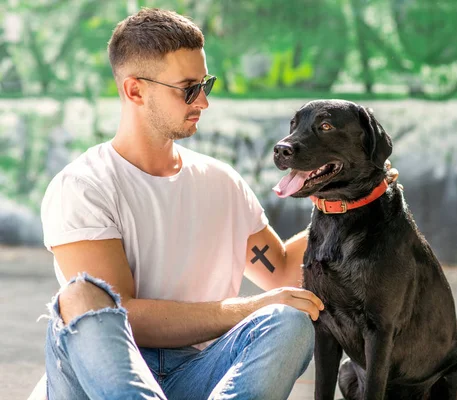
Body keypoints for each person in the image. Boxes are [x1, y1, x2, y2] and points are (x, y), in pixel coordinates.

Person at [38, 7, 325, 400]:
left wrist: (355, 199)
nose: (203, 101)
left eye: (206, 83)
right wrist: (244, 308)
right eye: (189, 87)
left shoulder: (221, 183)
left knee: (288, 320)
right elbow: (126, 320)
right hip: (101, 383)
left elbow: (284, 275)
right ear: (135, 90)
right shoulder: (84, 185)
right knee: (80, 297)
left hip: (199, 372)